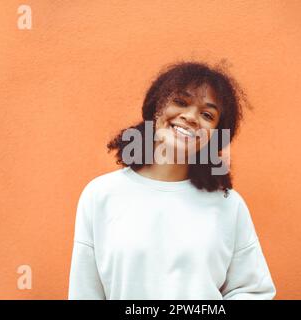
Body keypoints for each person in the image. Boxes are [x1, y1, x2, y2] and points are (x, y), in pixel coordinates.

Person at [68, 60, 276, 299]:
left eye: (207, 114)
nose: (190, 117)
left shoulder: (229, 205)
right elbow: (85, 292)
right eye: (180, 102)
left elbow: (253, 290)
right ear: (156, 106)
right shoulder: (100, 195)